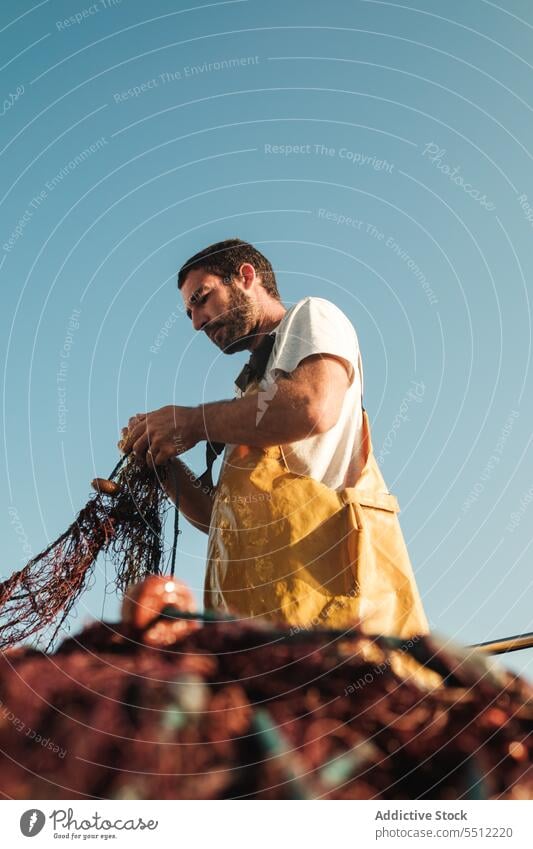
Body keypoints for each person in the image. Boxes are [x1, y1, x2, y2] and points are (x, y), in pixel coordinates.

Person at [121, 238, 428, 636]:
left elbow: (310, 406)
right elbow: (222, 520)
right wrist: (160, 464)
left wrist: (193, 423)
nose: (196, 322)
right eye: (188, 313)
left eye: (201, 298)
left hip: (336, 619)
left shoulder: (311, 317)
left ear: (246, 276)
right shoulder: (247, 397)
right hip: (255, 632)